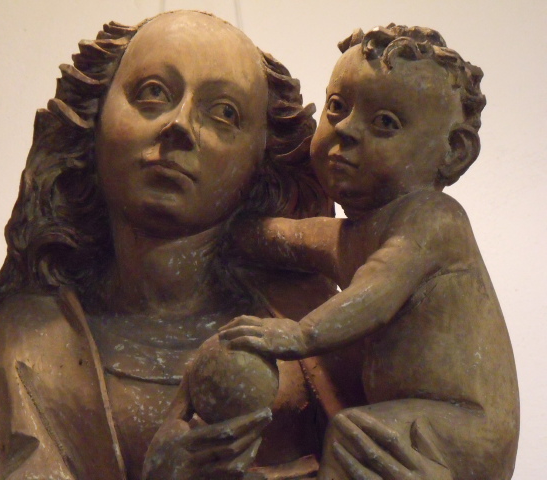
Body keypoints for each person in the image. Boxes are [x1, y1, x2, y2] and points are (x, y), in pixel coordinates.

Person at [0, 11, 337, 480]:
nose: (179, 125)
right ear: (95, 118)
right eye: (153, 93)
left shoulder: (311, 326)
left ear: (262, 159)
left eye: (224, 113)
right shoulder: (29, 343)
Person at [220, 25, 520, 480]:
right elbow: (287, 238)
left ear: (453, 152)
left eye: (385, 123)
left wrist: (299, 335)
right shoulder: (355, 234)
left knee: (352, 433)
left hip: (465, 424)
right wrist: (218, 225)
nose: (346, 128)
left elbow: (375, 294)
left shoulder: (433, 219)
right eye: (337, 107)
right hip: (417, 413)